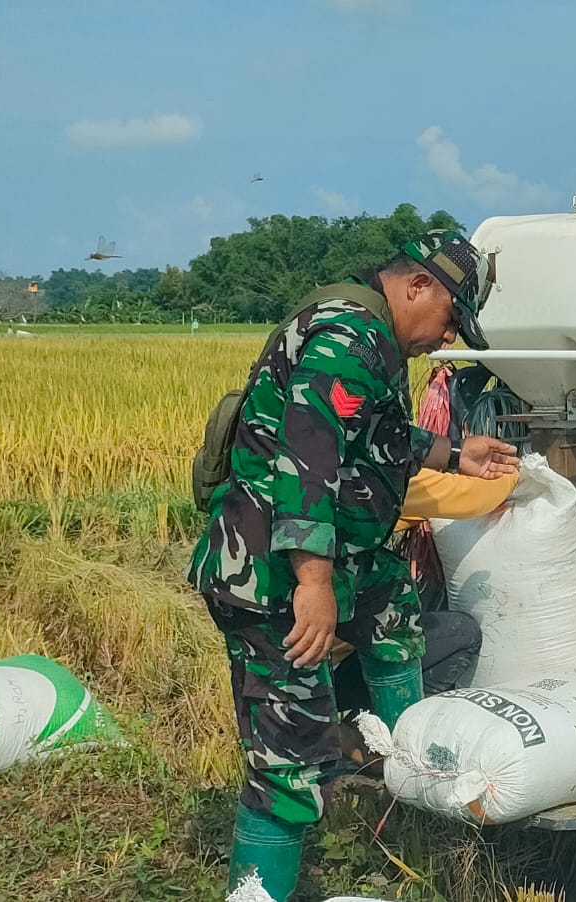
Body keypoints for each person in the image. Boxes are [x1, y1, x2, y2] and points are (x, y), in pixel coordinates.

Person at [188, 229, 519, 901]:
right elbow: (306, 462)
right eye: (453, 320)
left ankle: (410, 783)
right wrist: (313, 584)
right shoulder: (345, 340)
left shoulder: (375, 339)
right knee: (289, 762)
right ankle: (257, 891)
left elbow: (380, 435)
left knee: (396, 615)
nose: (449, 339)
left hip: (346, 557)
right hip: (270, 576)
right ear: (417, 285)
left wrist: (459, 455)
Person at [332, 466, 520, 713]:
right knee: (461, 633)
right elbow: (466, 497)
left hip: (294, 669)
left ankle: (355, 728)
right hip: (320, 672)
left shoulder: (312, 474)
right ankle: (391, 730)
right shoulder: (369, 475)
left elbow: (408, 509)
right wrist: (519, 473)